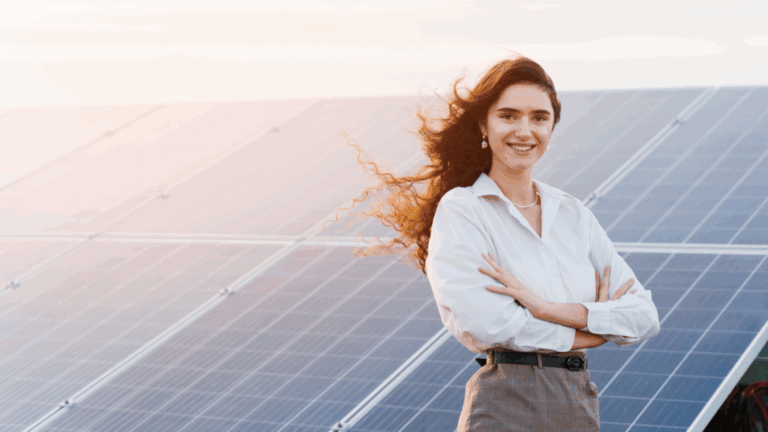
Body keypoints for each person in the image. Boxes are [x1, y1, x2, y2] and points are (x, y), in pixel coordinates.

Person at [332, 55, 661, 431]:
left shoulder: (574, 214)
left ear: (552, 128)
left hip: (577, 401)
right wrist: (592, 332)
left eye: (539, 117)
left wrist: (547, 309)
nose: (524, 130)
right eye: (508, 115)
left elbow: (644, 316)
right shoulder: (463, 209)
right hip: (507, 401)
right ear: (483, 126)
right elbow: (485, 323)